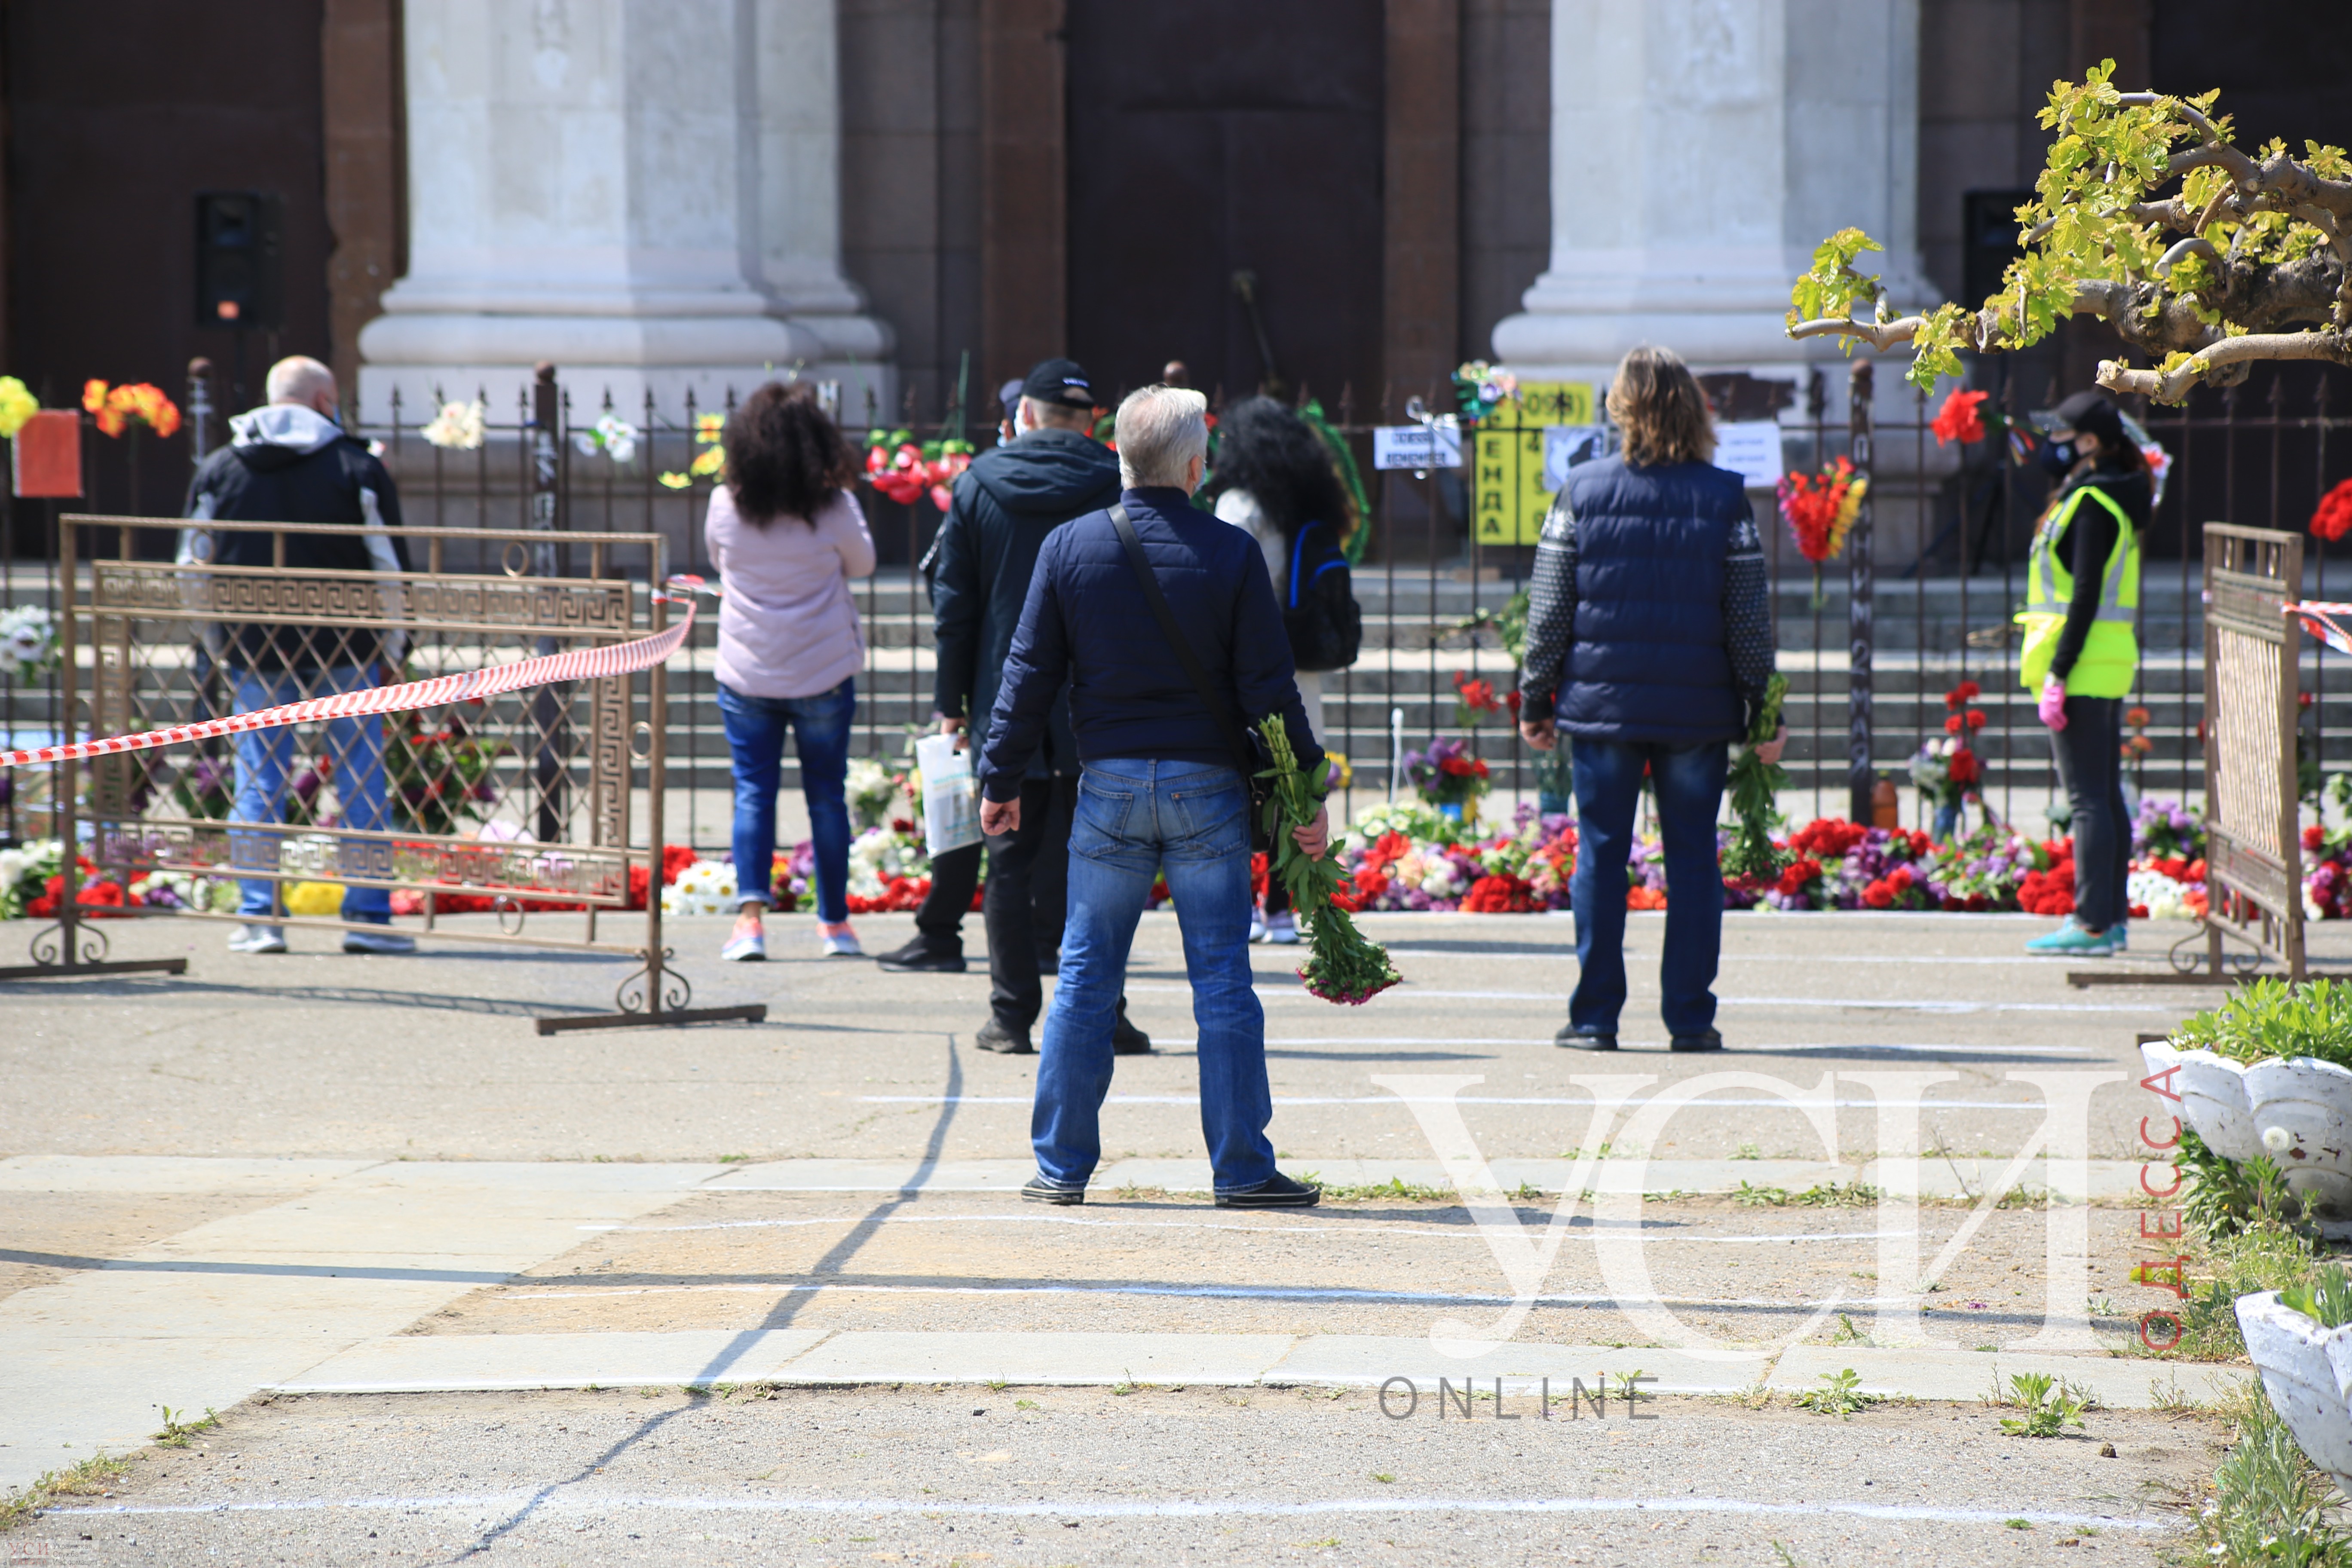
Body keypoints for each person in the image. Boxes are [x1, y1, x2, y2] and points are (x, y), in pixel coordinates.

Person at [978, 384, 1328, 1208]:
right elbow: (1269, 692)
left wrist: (1000, 776)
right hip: (1207, 788)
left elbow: (1025, 675)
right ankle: (1241, 1166)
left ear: (1120, 457)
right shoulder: (1231, 552)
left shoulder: (1067, 547)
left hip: (1106, 785)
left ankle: (1061, 1165)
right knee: (1222, 980)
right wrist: (1305, 794)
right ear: (1197, 464)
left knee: (1084, 974)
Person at [1516, 345, 1783, 1052]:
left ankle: (1595, 1017)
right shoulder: (1726, 496)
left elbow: (1548, 610)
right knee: (1693, 859)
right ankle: (1690, 1017)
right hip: (1697, 713)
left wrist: (1534, 698)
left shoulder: (1581, 490)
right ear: (1692, 410)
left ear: (1621, 408)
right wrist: (1765, 710)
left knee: (1601, 855)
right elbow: (1747, 618)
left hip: (1602, 710)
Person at [879, 358, 1150, 1056]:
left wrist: (951, 706)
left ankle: (1010, 1017)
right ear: (1090, 421)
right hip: (1102, 700)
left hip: (1008, 698)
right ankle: (1105, 1010)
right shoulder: (1117, 484)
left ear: (1022, 416)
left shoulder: (975, 486)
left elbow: (954, 611)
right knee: (1104, 859)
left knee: (1008, 858)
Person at [183, 355, 415, 956]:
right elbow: (388, 567)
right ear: (322, 402)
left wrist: (216, 642)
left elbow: (192, 567)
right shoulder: (355, 466)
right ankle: (369, 920)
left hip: (254, 647)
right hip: (348, 643)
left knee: (259, 779)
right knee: (362, 777)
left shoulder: (220, 469)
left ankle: (261, 918)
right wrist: (396, 645)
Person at [705, 381, 877, 962]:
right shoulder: (835, 508)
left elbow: (716, 560)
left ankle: (750, 923)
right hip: (823, 668)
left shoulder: (725, 504)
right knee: (826, 797)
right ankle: (834, 925)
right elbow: (864, 563)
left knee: (753, 793)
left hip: (747, 670)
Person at [1208, 396, 1362, 946]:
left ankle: (1247, 904)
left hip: (1245, 663)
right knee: (1293, 784)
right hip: (1301, 664)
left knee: (1239, 780)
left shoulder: (1240, 505)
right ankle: (1279, 905)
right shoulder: (1307, 507)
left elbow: (1222, 587)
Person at [2021, 388, 2149, 958]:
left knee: (2087, 800)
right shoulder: (2095, 493)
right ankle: (2111, 920)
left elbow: (2086, 596)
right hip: (2102, 661)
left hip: (2084, 664)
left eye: (2061, 435)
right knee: (2104, 796)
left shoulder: (2094, 502)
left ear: (2091, 443)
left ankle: (2094, 923)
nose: (2051, 445)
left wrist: (2059, 672)